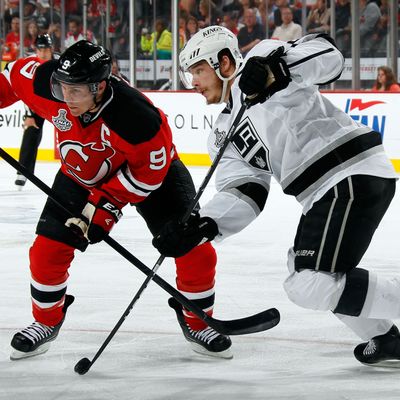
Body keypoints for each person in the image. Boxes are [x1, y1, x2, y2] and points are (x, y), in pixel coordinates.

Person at [153, 26, 400, 366]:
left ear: (224, 62)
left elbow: (329, 56)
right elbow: (245, 192)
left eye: (198, 71)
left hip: (349, 173)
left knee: (310, 282)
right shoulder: (222, 134)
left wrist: (277, 69)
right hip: (325, 191)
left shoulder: (261, 58)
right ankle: (384, 338)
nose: (192, 81)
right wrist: (204, 225)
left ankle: (385, 335)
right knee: (304, 272)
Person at [0, 40, 231, 360]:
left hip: (154, 177)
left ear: (99, 87)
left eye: (77, 91)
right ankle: (46, 321)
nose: (67, 97)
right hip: (79, 174)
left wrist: (102, 209)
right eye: (63, 88)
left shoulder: (137, 118)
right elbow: (10, 77)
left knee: (194, 247)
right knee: (46, 251)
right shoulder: (47, 83)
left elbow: (148, 175)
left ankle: (197, 319)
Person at [15, 34, 57, 189]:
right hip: (38, 104)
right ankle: (23, 171)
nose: (44, 52)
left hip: (58, 103)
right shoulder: (30, 64)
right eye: (41, 49)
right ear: (35, 49)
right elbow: (25, 92)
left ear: (51, 48)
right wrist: (29, 115)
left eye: (46, 48)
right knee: (32, 129)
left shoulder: (59, 62)